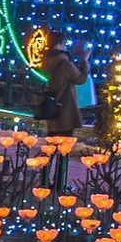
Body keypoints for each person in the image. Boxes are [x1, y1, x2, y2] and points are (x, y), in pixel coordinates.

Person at [38, 33, 83, 185]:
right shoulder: (64, 63)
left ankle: (44, 181)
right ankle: (59, 183)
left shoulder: (47, 59)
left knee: (50, 147)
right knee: (64, 149)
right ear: (58, 44)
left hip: (52, 109)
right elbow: (80, 79)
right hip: (65, 112)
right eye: (64, 43)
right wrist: (85, 60)